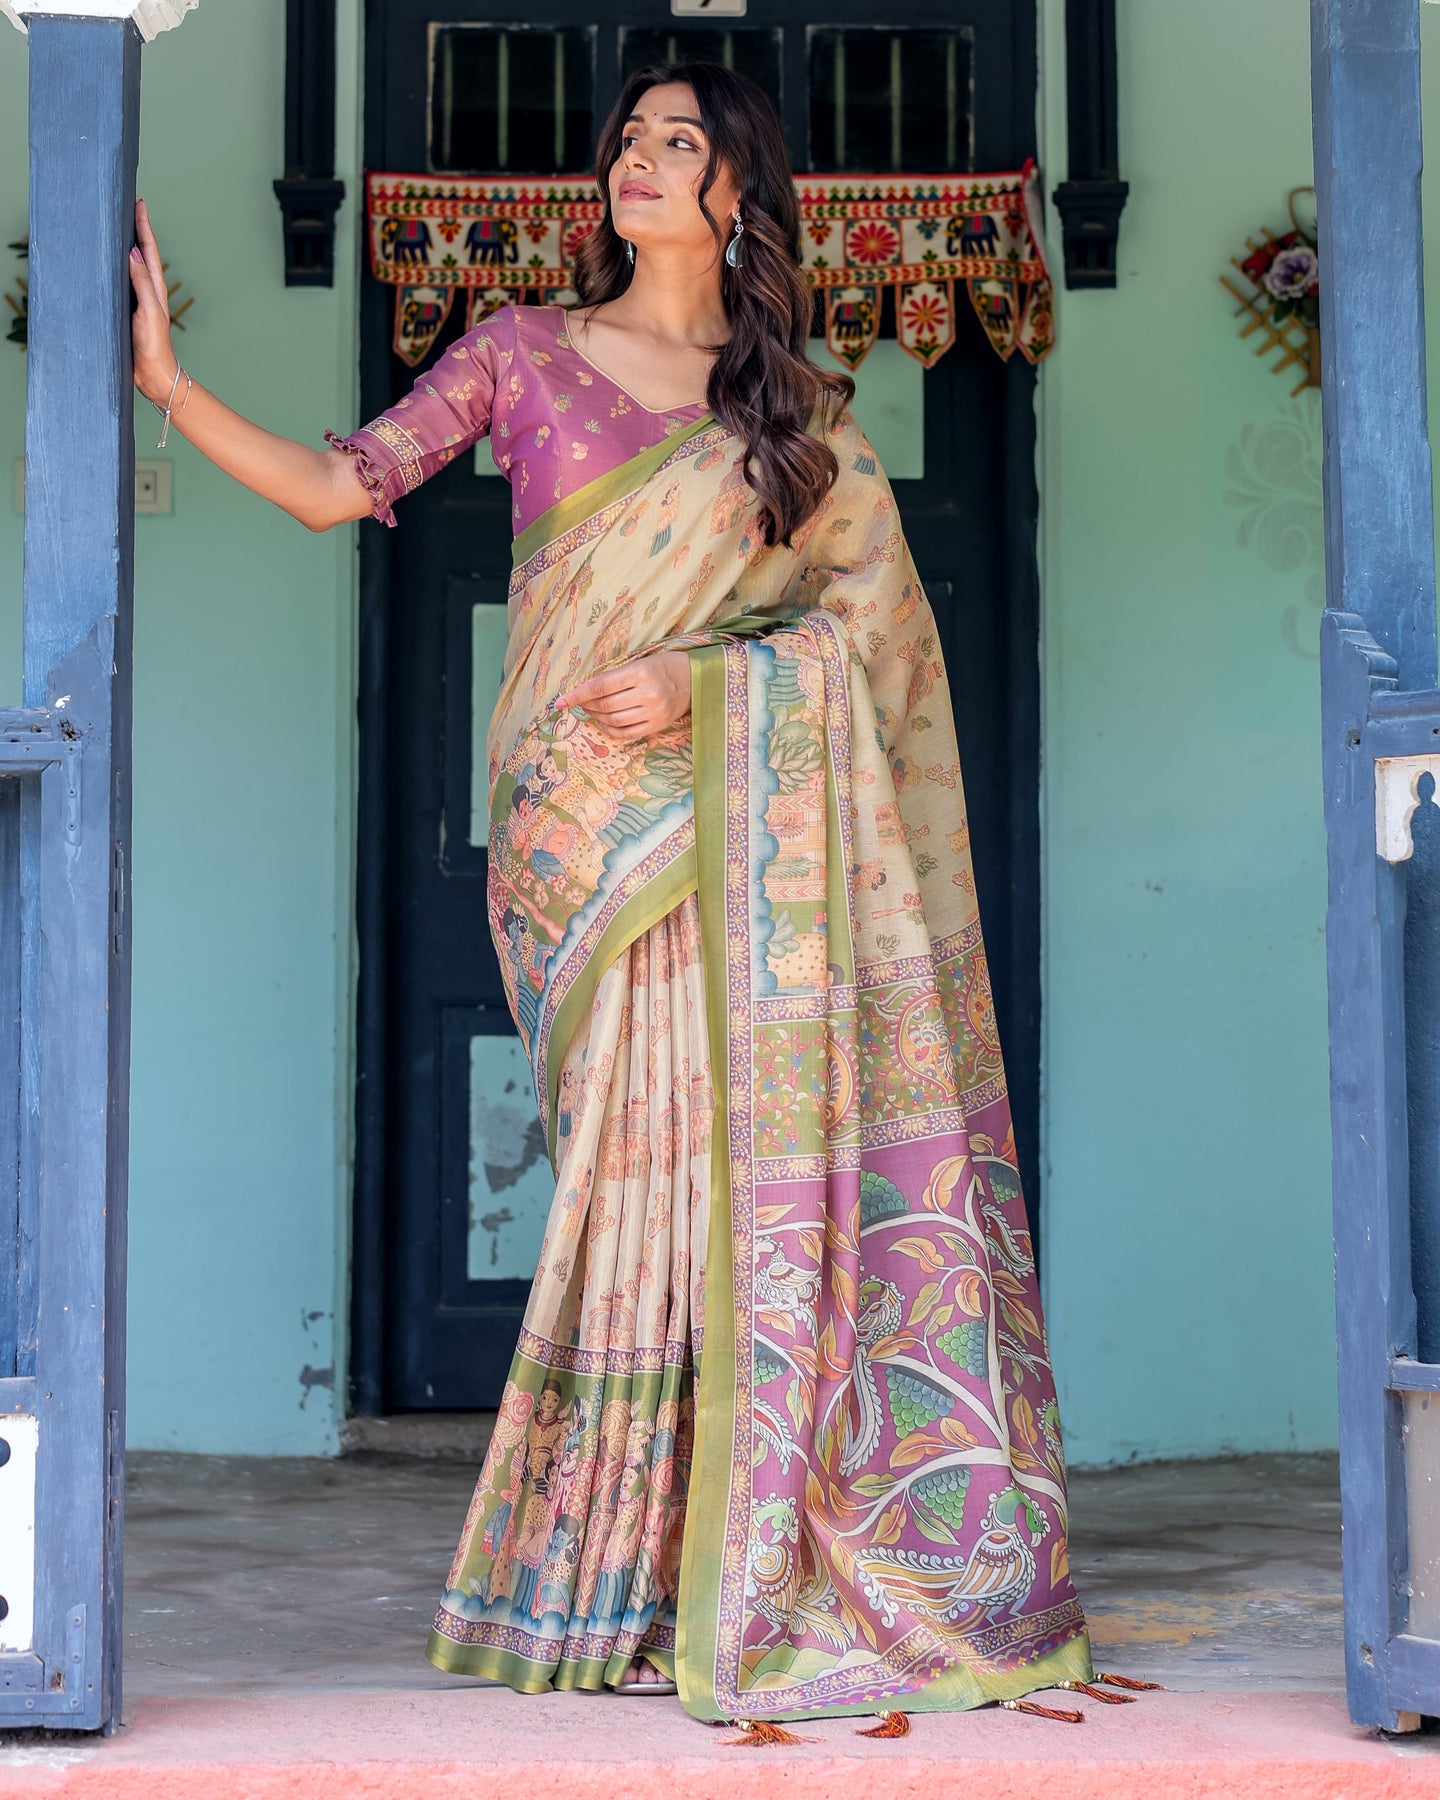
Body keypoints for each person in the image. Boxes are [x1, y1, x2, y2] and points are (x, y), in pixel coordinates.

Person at [129, 59, 1094, 1725]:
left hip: (733, 830)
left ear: (738, 190)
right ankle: (606, 1566)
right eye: (629, 140)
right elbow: (339, 488)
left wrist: (714, 687)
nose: (638, 162)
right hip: (579, 832)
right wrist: (170, 383)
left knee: (735, 1178)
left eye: (678, 142)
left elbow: (869, 641)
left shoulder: (795, 409)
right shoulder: (520, 349)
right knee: (629, 1175)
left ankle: (717, 1561)